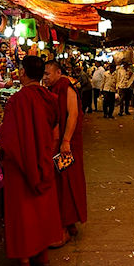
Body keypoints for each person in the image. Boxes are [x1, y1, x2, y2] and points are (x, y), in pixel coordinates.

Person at [0, 56, 65, 266]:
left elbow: (7, 137)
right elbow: (55, 128)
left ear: (24, 73)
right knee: (42, 209)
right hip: (43, 158)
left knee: (23, 213)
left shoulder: (17, 100)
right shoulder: (50, 97)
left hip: (21, 163)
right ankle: (43, 258)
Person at [43, 60, 86, 241]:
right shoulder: (53, 89)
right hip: (58, 142)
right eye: (43, 74)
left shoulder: (66, 88)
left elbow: (73, 114)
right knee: (62, 183)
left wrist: (66, 140)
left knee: (67, 182)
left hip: (67, 144)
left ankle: (66, 226)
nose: (45, 77)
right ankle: (69, 223)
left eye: (48, 74)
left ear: (58, 72)